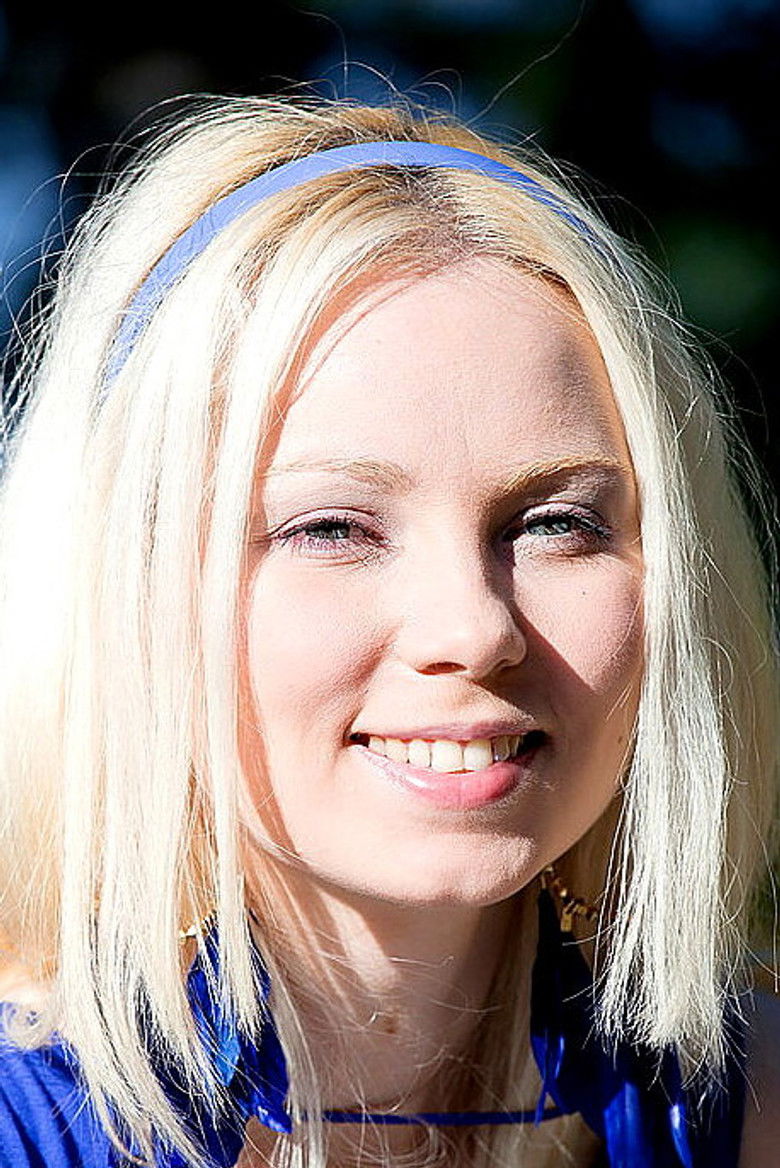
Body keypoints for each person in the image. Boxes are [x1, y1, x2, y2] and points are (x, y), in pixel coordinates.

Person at [0, 94, 777, 1168]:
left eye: (554, 522)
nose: (473, 628)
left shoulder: (748, 1105)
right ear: (126, 587)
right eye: (332, 528)